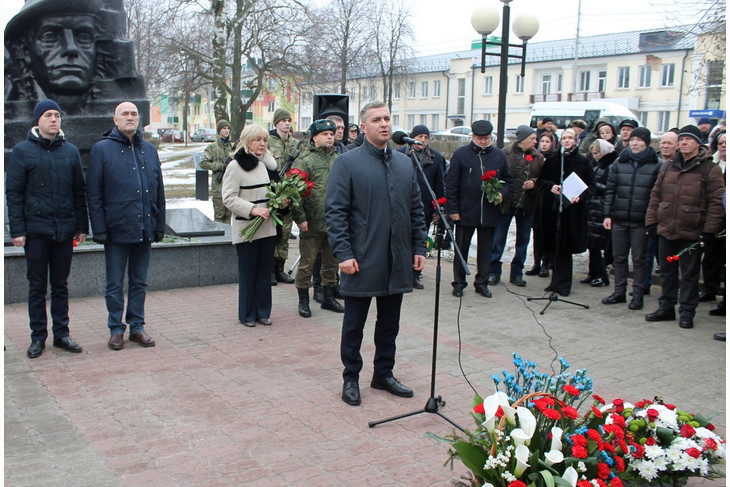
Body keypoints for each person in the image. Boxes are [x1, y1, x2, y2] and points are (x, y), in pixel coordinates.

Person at [325, 101, 427, 407]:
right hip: (361, 258)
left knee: (389, 323)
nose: (384, 124)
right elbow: (336, 212)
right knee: (354, 323)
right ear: (365, 126)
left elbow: (416, 209)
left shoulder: (404, 162)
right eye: (376, 119)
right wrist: (343, 253)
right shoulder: (348, 163)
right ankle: (350, 377)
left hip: (396, 258)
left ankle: (383, 373)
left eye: (387, 118)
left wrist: (419, 247)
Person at [6, 99, 88, 359]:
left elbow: (78, 192)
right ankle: (38, 337)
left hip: (64, 231)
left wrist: (81, 227)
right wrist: (17, 230)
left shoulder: (71, 151)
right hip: (36, 232)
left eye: (57, 115)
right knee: (37, 287)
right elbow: (14, 193)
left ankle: (62, 334)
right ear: (38, 121)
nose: (54, 119)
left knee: (61, 285)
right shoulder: (22, 152)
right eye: (48, 115)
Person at [87, 101, 165, 350]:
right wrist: (99, 228)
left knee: (139, 282)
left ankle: (137, 326)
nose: (130, 117)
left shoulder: (149, 150)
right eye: (125, 114)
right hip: (116, 229)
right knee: (114, 283)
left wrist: (159, 223)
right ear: (115, 120)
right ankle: (116, 328)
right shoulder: (102, 150)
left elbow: (159, 191)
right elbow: (93, 193)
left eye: (133, 113)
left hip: (144, 227)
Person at [644, 125, 725, 329]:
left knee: (688, 276)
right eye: (682, 139)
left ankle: (687, 312)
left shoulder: (710, 169)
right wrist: (652, 221)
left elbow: (715, 202)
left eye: (689, 139)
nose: (684, 142)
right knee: (667, 273)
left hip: (692, 231)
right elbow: (656, 195)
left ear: (698, 142)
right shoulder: (669, 166)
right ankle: (666, 308)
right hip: (666, 228)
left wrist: (709, 230)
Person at [223, 125, 286, 328]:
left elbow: (273, 193)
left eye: (265, 140)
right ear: (247, 141)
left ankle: (263, 312)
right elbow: (229, 198)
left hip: (267, 227)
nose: (262, 144)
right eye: (257, 139)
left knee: (264, 271)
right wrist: (252, 209)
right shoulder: (235, 166)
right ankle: (247, 314)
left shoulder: (267, 165)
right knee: (249, 272)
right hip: (247, 228)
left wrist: (282, 202)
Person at [446, 120, 512, 298]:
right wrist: (453, 209)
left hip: (489, 211)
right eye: (479, 138)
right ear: (473, 137)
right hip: (465, 210)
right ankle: (459, 283)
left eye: (486, 138)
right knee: (462, 248)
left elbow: (508, 180)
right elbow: (451, 184)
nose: (483, 141)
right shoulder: (461, 154)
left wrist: (502, 194)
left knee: (485, 250)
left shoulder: (499, 156)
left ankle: (481, 282)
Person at [601, 128, 662, 310]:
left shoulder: (657, 165)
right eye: (633, 139)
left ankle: (637, 295)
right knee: (619, 258)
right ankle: (619, 292)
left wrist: (652, 220)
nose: (635, 143)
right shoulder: (620, 162)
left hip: (641, 221)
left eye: (639, 140)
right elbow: (610, 190)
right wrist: (607, 214)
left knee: (639, 259)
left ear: (647, 142)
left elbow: (658, 196)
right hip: (619, 218)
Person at [291, 119, 345, 317]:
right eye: (325, 134)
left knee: (331, 264)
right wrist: (300, 218)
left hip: (334, 223)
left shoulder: (340, 159)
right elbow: (294, 192)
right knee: (306, 265)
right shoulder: (304, 160)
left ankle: (328, 298)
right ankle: (303, 301)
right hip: (311, 223)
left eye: (332, 133)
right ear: (315, 138)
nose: (330, 136)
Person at [537, 128, 595, 296]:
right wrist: (551, 187)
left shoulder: (583, 161)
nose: (567, 141)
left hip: (573, 212)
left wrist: (580, 196)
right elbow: (541, 182)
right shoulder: (553, 160)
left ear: (576, 140)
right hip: (553, 210)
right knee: (554, 247)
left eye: (570, 138)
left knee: (566, 249)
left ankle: (564, 285)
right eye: (564, 138)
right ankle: (554, 282)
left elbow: (592, 187)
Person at [489, 125, 544, 287]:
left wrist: (534, 183)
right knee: (498, 239)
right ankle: (493, 272)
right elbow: (498, 177)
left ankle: (517, 273)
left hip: (526, 205)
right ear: (522, 139)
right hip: (507, 204)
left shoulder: (538, 157)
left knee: (523, 240)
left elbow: (543, 178)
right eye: (532, 138)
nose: (535, 141)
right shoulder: (505, 154)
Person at [398, 124, 446, 289]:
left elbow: (440, 184)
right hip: (401, 204)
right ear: (412, 137)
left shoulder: (436, 157)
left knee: (420, 239)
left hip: (424, 205)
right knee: (402, 239)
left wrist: (438, 207)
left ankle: (415, 274)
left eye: (426, 138)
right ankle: (401, 271)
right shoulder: (400, 155)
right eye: (419, 137)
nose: (422, 140)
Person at [267, 108, 298, 285]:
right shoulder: (268, 141)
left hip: (288, 194)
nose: (287, 123)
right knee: (272, 232)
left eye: (289, 120)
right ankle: (269, 270)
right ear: (276, 122)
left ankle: (280, 269)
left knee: (285, 233)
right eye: (283, 120)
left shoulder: (294, 143)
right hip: (272, 193)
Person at [581, 139, 617, 288]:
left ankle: (601, 275)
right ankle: (593, 273)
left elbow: (610, 188)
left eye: (597, 153)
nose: (595, 156)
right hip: (594, 207)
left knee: (596, 245)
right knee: (591, 243)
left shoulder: (610, 166)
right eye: (593, 153)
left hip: (601, 208)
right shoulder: (598, 165)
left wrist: (593, 186)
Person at [698, 130, 726, 305]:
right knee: (710, 256)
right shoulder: (712, 164)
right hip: (713, 218)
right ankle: (709, 289)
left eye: (726, 142)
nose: (723, 145)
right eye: (721, 142)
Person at [526, 132, 558, 278]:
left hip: (549, 200)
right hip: (536, 199)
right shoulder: (536, 157)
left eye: (547, 141)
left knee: (547, 232)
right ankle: (536, 262)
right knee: (536, 232)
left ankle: (546, 262)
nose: (544, 144)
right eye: (542, 141)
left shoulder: (554, 158)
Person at [200, 119, 234, 223]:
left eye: (228, 128)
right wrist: (220, 166)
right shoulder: (212, 147)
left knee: (229, 214)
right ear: (219, 130)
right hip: (218, 186)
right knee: (219, 215)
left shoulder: (232, 147)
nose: (226, 131)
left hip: (231, 185)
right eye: (224, 128)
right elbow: (203, 163)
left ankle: (228, 237)